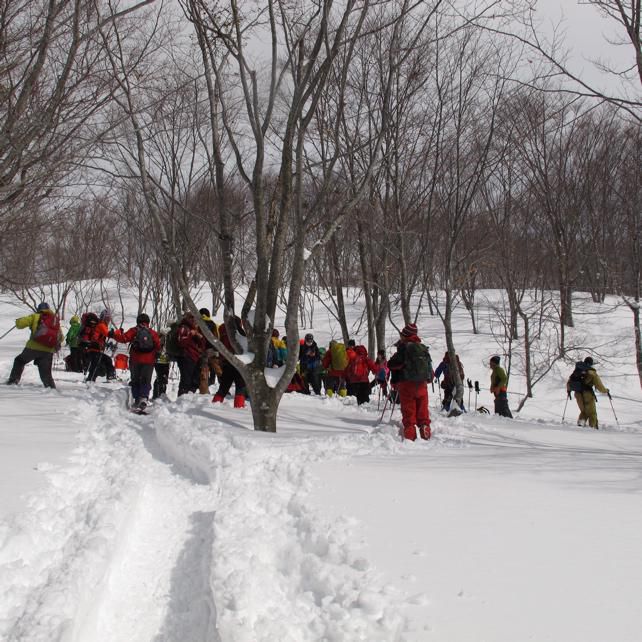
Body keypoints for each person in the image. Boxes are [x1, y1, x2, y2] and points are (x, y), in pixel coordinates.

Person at [388, 323, 432, 441]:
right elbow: (429, 368)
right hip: (422, 385)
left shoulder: (404, 348)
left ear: (405, 335)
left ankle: (410, 436)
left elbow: (392, 364)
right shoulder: (423, 348)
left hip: (407, 384)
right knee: (422, 410)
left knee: (409, 412)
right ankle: (425, 428)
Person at [110, 313, 161, 410]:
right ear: (148, 322)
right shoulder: (152, 333)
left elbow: (123, 338)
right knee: (146, 379)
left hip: (135, 360)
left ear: (138, 321)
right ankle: (144, 398)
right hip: (149, 361)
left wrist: (113, 335)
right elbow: (158, 346)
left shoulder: (133, 331)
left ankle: (137, 398)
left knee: (135, 379)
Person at [7, 302, 63, 388]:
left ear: (39, 309)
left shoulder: (35, 316)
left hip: (33, 347)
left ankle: (13, 381)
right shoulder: (54, 320)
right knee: (46, 373)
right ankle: (51, 388)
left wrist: (18, 321)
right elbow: (61, 338)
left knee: (19, 361)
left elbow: (20, 324)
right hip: (48, 350)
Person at [212, 316, 247, 408]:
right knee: (240, 386)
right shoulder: (239, 333)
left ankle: (214, 405)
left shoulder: (223, 331)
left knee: (224, 386)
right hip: (239, 362)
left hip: (226, 362)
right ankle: (239, 407)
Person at [566, 356, 609, 429]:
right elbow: (599, 386)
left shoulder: (577, 370)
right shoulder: (592, 372)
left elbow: (569, 382)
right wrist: (606, 390)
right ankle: (593, 428)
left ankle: (580, 425)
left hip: (578, 394)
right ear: (591, 364)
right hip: (587, 394)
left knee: (584, 411)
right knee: (592, 413)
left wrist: (569, 391)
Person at [176, 312, 206, 396]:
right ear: (187, 318)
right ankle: (182, 399)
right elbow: (181, 343)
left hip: (196, 357)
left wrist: (198, 336)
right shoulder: (184, 328)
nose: (194, 319)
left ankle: (189, 397)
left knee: (195, 381)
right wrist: (190, 334)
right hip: (186, 357)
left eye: (195, 317)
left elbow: (203, 344)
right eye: (191, 317)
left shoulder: (196, 328)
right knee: (186, 380)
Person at [85, 309, 117, 382]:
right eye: (107, 318)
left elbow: (100, 338)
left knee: (98, 363)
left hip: (95, 348)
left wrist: (107, 344)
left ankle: (91, 379)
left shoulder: (102, 325)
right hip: (94, 348)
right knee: (97, 364)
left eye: (109, 318)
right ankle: (91, 380)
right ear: (103, 317)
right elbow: (107, 334)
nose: (108, 320)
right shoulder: (101, 325)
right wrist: (117, 333)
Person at [199, 308, 219, 392]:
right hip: (212, 349)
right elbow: (217, 336)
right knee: (215, 367)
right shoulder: (213, 324)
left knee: (204, 369)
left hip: (201, 350)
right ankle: (216, 382)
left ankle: (204, 389)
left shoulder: (198, 323)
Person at [153, 328, 171, 400]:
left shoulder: (159, 338)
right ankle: (159, 395)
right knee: (162, 378)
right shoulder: (162, 339)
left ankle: (159, 395)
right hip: (161, 361)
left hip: (161, 361)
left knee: (161, 378)